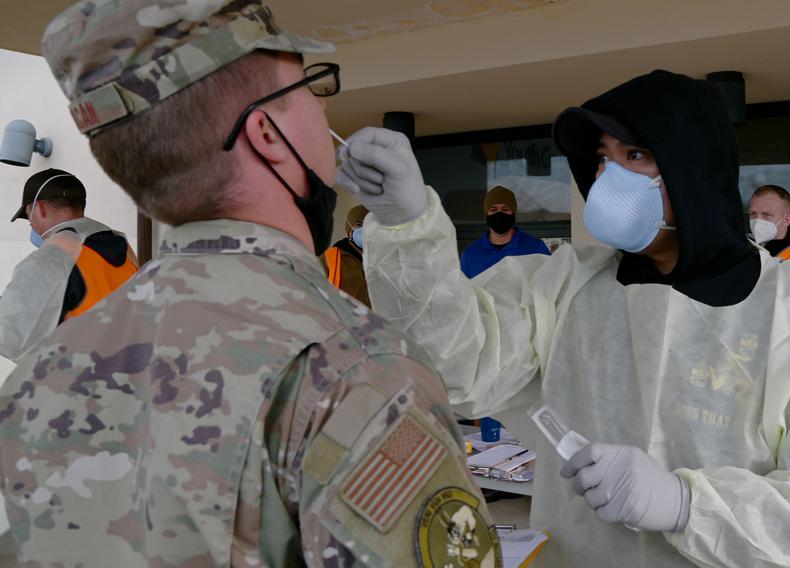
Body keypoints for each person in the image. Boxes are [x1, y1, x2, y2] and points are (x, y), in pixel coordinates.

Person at [336, 69, 790, 566]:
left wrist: (689, 506)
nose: (611, 177)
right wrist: (407, 223)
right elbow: (457, 365)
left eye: (635, 155)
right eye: (603, 158)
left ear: (692, 168)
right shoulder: (566, 285)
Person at [0, 2, 501, 566]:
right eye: (314, 88)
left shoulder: (38, 378)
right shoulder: (355, 373)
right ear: (265, 131)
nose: (324, 109)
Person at [0, 168, 137, 361]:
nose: (31, 224)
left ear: (40, 208)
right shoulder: (120, 244)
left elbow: (12, 337)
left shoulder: (54, 256)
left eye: (28, 215)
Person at [460, 185, 550, 278]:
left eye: (505, 209)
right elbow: (462, 290)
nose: (499, 214)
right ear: (487, 214)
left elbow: (549, 284)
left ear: (513, 213)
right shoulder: (470, 254)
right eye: (493, 209)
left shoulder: (536, 248)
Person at [320, 204, 372, 307]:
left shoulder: (385, 259)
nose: (366, 229)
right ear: (349, 230)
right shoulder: (331, 259)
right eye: (359, 225)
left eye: (370, 224)